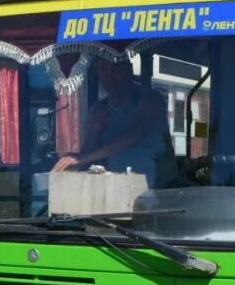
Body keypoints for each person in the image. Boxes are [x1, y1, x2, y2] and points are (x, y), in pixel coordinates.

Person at [52, 60, 178, 189]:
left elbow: (131, 137)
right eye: (104, 70)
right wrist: (97, 131)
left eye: (116, 69)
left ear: (129, 70)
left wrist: (81, 158)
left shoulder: (150, 99)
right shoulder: (98, 108)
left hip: (155, 191)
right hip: (115, 189)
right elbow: (88, 152)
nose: (110, 76)